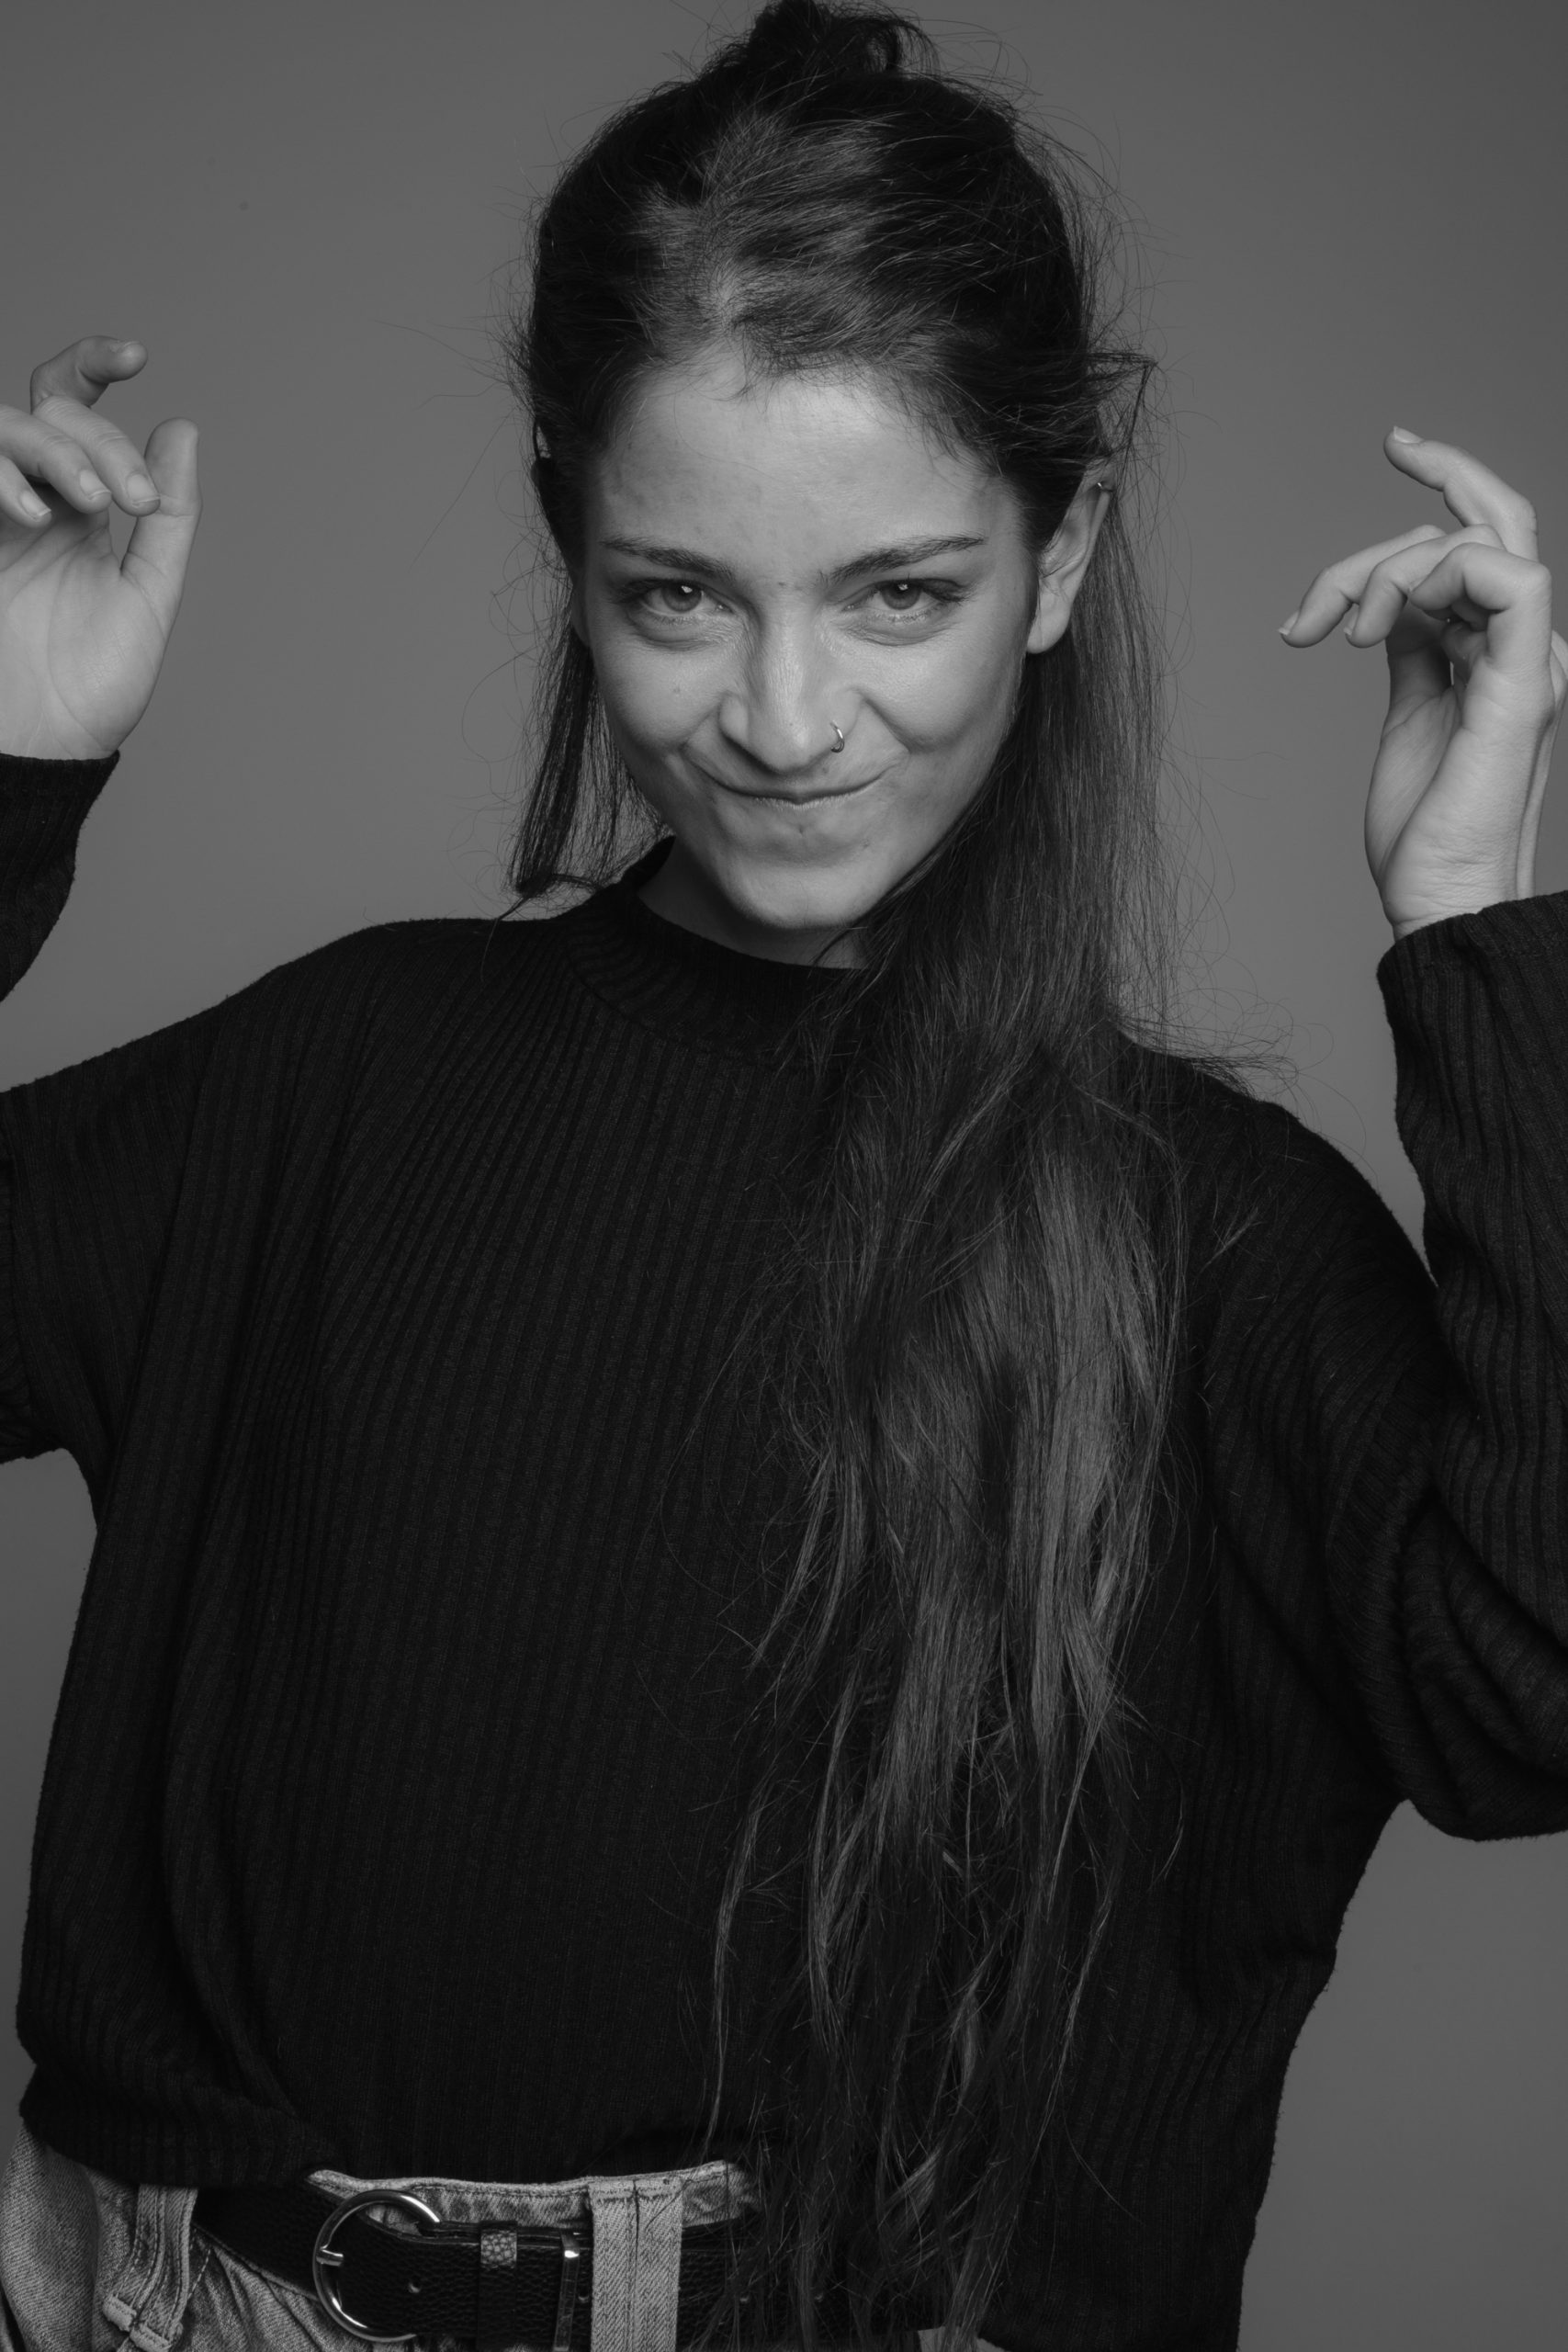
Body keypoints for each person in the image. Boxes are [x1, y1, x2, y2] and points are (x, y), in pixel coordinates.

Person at [0, 1, 1563, 2347]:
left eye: (898, 591)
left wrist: (1474, 926)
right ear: (572, 548)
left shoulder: (1209, 1233)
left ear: (1057, 556)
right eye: (680, 594)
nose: (786, 718)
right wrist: (7, 768)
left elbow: (1528, 1692)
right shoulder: (329, 1080)